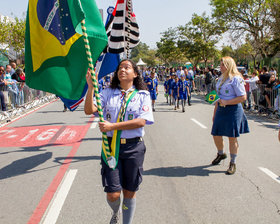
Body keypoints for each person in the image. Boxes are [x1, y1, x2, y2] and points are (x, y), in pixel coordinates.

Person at [84, 59, 154, 224]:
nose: (122, 70)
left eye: (127, 67)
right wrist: (91, 88)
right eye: (120, 68)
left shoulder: (142, 95)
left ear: (135, 74)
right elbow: (89, 110)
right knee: (113, 194)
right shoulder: (108, 93)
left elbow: (141, 122)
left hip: (134, 147)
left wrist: (112, 126)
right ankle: (115, 212)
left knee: (129, 191)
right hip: (111, 148)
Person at [211, 56, 249, 175]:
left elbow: (243, 97)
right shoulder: (221, 77)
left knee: (232, 138)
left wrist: (227, 102)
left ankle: (233, 162)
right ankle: (221, 153)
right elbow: (218, 97)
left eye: (222, 65)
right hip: (221, 109)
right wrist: (215, 112)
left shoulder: (236, 79)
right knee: (216, 133)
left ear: (228, 65)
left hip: (233, 110)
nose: (220, 67)